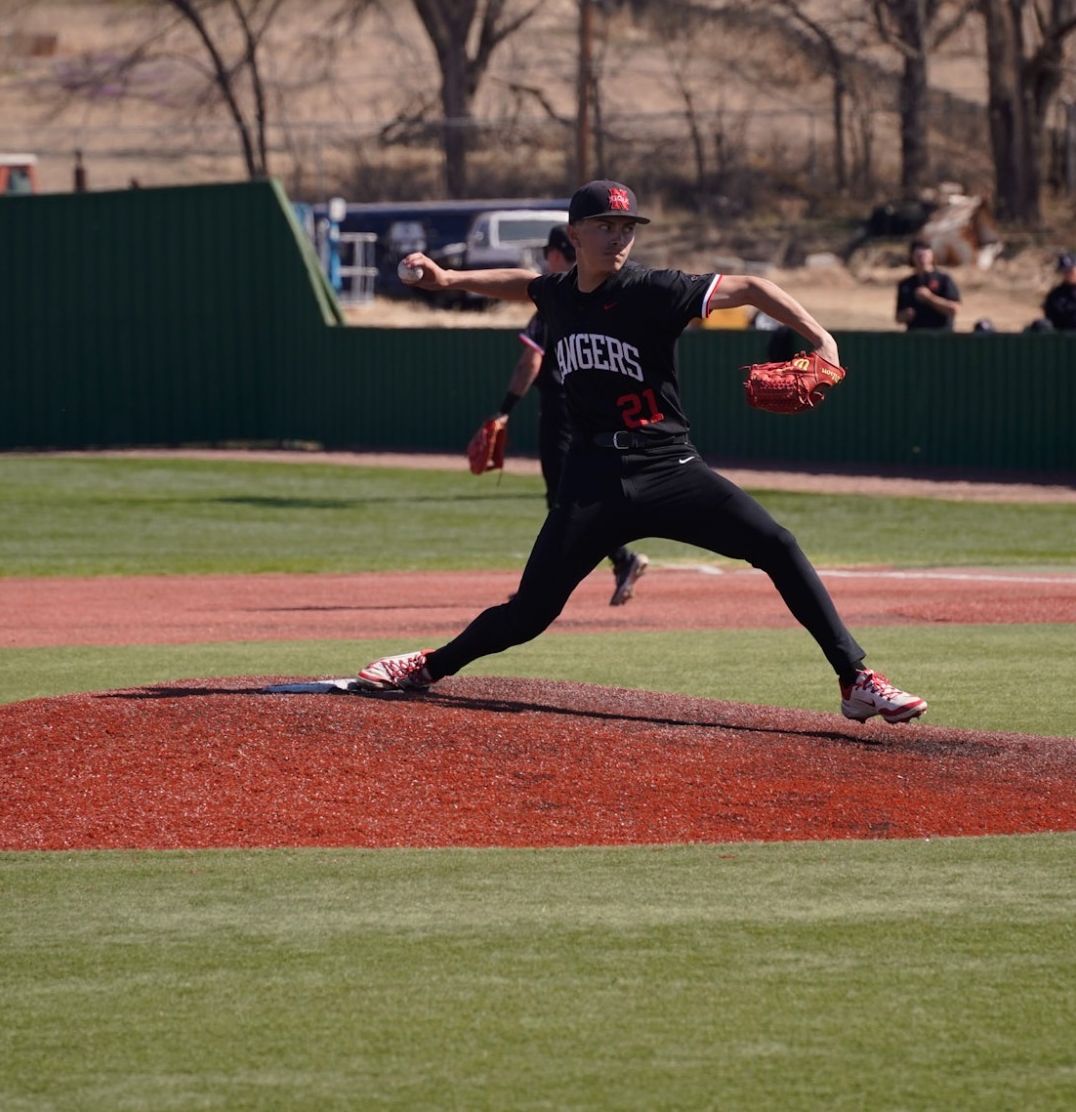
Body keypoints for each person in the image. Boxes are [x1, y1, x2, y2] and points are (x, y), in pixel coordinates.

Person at [356, 179, 928, 725]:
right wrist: (450, 278)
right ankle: (426, 667)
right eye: (605, 224)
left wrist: (822, 339)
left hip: (669, 468)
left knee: (776, 543)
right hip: (593, 481)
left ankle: (855, 680)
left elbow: (752, 288)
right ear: (575, 234)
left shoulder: (656, 289)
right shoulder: (557, 294)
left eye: (627, 225)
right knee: (529, 614)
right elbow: (521, 283)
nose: (619, 235)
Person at [483, 224, 649, 605]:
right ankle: (603, 564)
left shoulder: (555, 296)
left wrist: (505, 410)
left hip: (561, 409)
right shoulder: (601, 293)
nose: (545, 258)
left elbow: (531, 361)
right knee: (574, 494)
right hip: (596, 407)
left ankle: (605, 563)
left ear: (562, 251)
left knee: (563, 496)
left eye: (548, 251)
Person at [895, 239, 960, 332]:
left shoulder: (943, 279)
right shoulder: (906, 284)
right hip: (915, 336)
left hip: (941, 335)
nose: (922, 259)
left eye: (925, 256)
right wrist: (905, 315)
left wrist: (930, 298)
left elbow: (954, 309)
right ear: (912, 257)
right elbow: (898, 317)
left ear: (932, 256)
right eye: (918, 256)